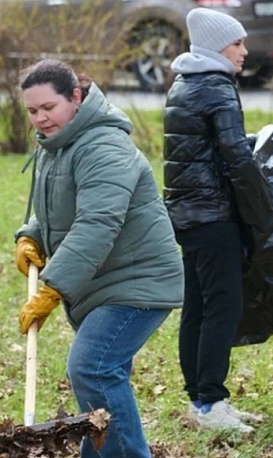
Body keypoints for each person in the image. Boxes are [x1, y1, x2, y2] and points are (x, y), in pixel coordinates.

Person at [14, 59, 184, 458]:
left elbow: (98, 222)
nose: (40, 119)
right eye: (32, 111)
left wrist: (53, 286)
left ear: (76, 97)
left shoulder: (104, 145)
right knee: (101, 378)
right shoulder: (57, 146)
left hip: (139, 280)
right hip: (103, 280)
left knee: (92, 367)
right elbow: (56, 207)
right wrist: (31, 236)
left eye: (48, 108)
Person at [163, 7, 268, 433]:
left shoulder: (184, 83)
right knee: (223, 305)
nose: (244, 51)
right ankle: (211, 402)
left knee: (198, 306)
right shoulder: (218, 86)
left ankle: (199, 400)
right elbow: (235, 157)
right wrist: (265, 207)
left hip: (186, 215)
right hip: (213, 214)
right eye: (237, 43)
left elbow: (201, 148)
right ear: (215, 46)